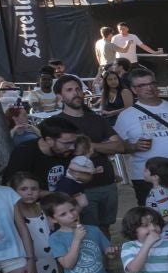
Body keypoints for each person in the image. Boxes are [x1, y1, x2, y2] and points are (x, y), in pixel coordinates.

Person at [47, 76, 126, 232]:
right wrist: (103, 146)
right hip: (79, 190)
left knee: (105, 229)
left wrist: (87, 145)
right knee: (87, 231)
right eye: (69, 90)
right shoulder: (56, 123)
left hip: (107, 183)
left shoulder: (97, 119)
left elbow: (118, 146)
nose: (76, 93)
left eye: (78, 89)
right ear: (59, 96)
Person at [115, 69, 168, 210]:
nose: (149, 88)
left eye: (152, 83)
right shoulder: (126, 116)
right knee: (151, 217)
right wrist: (133, 147)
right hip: (146, 177)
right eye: (142, 85)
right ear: (134, 89)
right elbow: (117, 145)